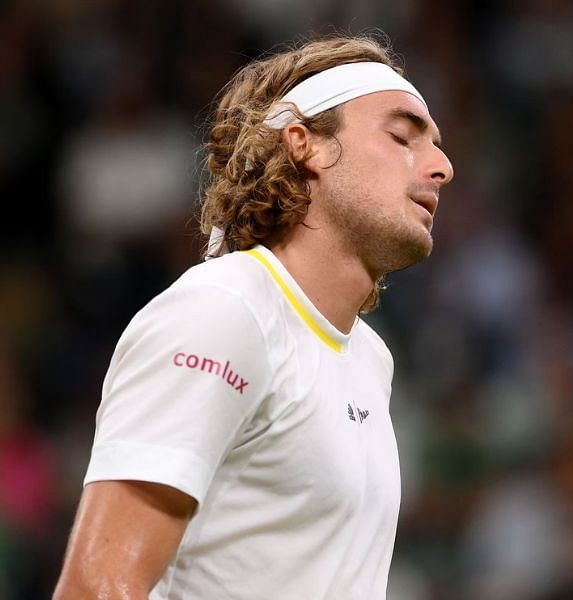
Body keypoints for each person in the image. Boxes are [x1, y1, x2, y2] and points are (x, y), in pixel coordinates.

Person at [53, 36, 453, 599]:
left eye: (436, 145)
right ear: (305, 145)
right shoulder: (224, 312)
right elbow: (97, 585)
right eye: (402, 136)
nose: (442, 167)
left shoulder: (371, 356)